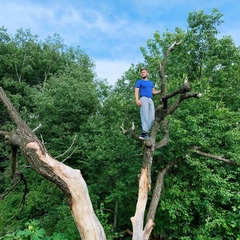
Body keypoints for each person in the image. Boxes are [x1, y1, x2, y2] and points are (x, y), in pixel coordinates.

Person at [135, 67, 161, 140]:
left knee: (152, 117)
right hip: (143, 98)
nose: (142, 73)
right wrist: (137, 100)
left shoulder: (151, 83)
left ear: (147, 73)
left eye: (144, 72)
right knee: (145, 115)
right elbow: (136, 91)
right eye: (141, 72)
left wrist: (161, 90)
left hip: (150, 100)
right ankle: (144, 132)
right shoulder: (139, 82)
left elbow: (153, 92)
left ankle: (145, 132)